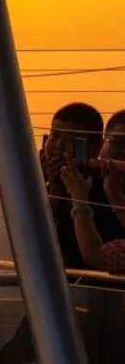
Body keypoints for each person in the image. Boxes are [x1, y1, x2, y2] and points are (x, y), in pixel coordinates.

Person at [60, 109, 125, 273]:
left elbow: (94, 255)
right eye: (118, 142)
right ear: (103, 144)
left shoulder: (82, 188)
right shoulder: (87, 181)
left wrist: (79, 199)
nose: (123, 152)